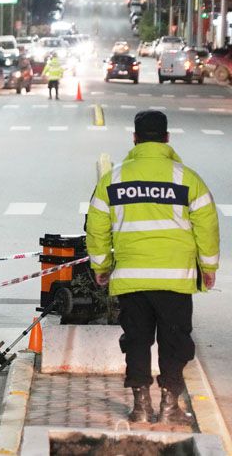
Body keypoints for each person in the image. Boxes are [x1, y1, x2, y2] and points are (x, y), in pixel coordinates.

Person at [86, 110, 219, 425]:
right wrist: (208, 266)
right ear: (167, 138)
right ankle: (170, 405)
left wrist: (101, 265)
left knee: (137, 339)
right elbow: (207, 226)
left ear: (134, 139)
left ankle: (140, 406)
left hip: (132, 280)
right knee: (175, 341)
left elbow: (96, 229)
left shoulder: (113, 179)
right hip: (175, 279)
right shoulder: (187, 178)